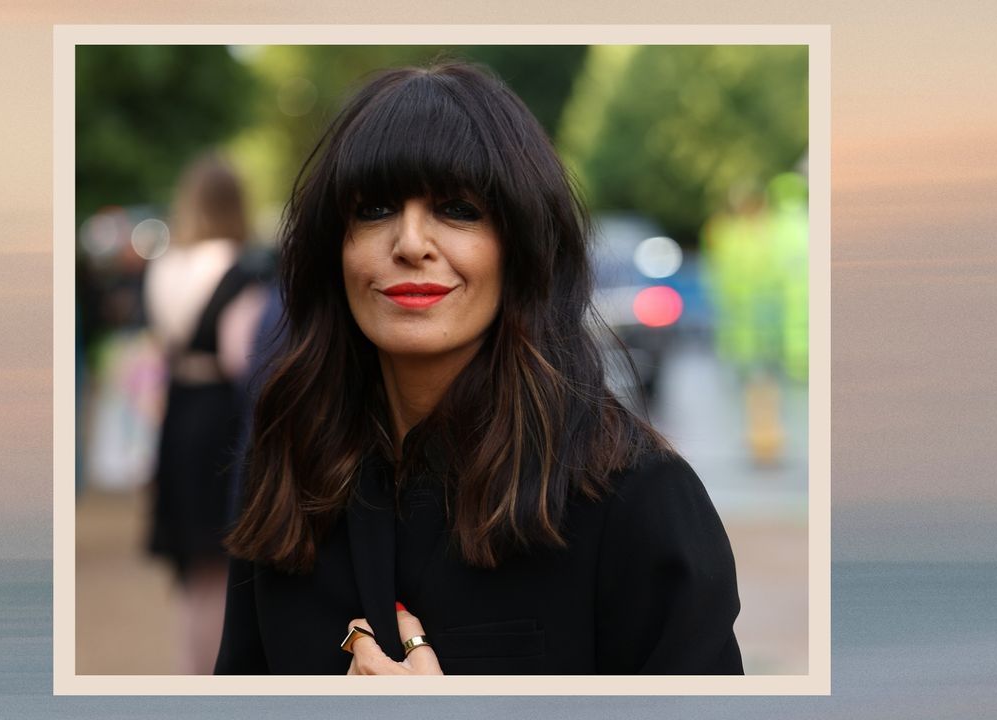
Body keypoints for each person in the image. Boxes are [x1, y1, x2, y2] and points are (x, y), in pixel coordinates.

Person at [215, 62, 742, 675]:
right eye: (376, 208)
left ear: (521, 247)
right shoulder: (287, 465)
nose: (411, 243)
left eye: (459, 209)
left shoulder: (634, 498)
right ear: (333, 248)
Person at [144, 151, 270, 674]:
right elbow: (242, 358)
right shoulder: (239, 268)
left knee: (194, 570)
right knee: (221, 567)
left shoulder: (164, 266)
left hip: (179, 412)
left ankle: (186, 674)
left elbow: (160, 347)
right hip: (220, 417)